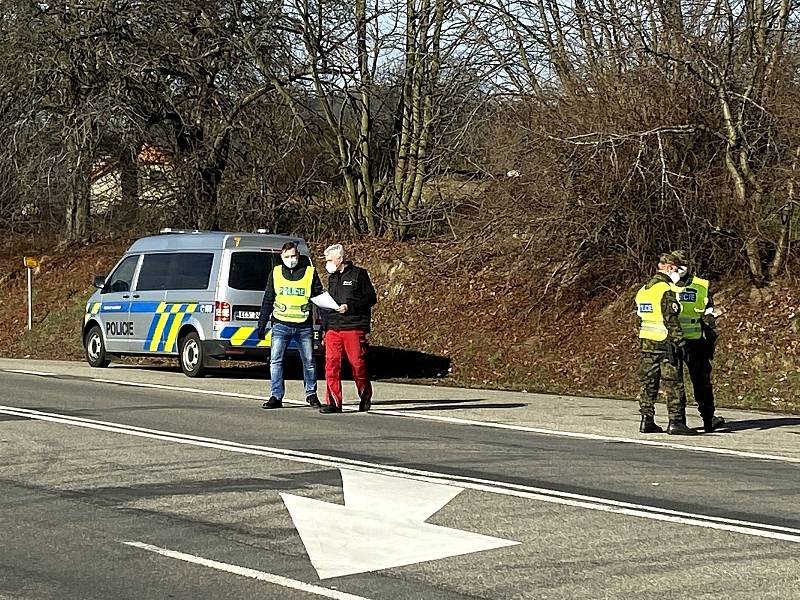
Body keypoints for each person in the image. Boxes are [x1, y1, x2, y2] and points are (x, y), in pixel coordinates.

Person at [634, 252, 697, 435]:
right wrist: (681, 343)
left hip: (647, 343)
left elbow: (639, 319)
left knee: (648, 383)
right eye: (676, 268)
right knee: (673, 383)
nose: (677, 272)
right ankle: (676, 422)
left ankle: (647, 420)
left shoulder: (643, 290)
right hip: (665, 344)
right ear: (669, 268)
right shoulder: (665, 290)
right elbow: (671, 320)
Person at [257, 242, 324, 410]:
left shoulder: (310, 273)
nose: (291, 259)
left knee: (309, 361)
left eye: (293, 256)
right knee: (276, 361)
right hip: (281, 323)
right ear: (282, 257)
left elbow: (320, 299)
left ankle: (311, 394)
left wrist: (326, 324)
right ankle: (276, 396)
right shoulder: (276, 272)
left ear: (298, 255)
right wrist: (262, 324)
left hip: (303, 325)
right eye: (287, 257)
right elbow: (268, 298)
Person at [318, 243, 377, 414]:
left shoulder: (359, 274)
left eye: (330, 260)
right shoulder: (332, 278)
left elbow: (370, 298)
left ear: (340, 259)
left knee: (357, 364)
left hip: (353, 326)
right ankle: (334, 402)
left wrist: (349, 307)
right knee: (331, 365)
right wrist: (325, 328)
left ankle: (365, 395)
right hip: (333, 328)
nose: (327, 263)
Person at [671, 250, 725, 433]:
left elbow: (708, 311)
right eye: (676, 264)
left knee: (701, 381)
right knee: (674, 382)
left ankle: (708, 418)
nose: (679, 268)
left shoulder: (701, 285)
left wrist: (710, 330)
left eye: (682, 263)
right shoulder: (663, 286)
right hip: (672, 341)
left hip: (696, 341)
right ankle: (677, 421)